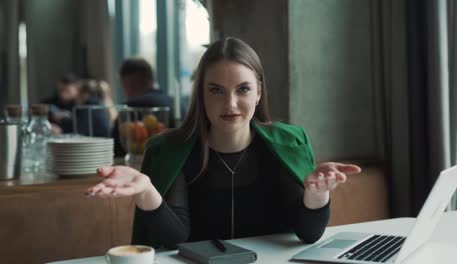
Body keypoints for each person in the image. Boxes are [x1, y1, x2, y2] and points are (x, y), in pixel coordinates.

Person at [87, 38, 361, 249]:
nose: (230, 104)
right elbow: (175, 239)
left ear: (258, 93)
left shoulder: (289, 142)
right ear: (201, 94)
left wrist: (317, 195)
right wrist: (146, 191)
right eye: (216, 90)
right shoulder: (169, 150)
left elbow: (309, 233)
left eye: (243, 89)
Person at [113, 58, 184, 156]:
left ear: (128, 82)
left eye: (122, 85)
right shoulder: (176, 103)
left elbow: (116, 148)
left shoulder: (132, 108)